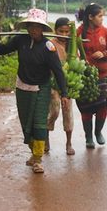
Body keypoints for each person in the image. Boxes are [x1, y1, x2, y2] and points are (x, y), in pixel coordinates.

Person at [0, 8, 69, 174]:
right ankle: (33, 153)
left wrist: (64, 93)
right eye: (31, 26)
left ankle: (38, 159)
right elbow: (2, 50)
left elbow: (58, 71)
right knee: (26, 124)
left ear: (43, 29)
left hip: (41, 89)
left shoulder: (48, 47)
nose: (34, 30)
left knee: (39, 123)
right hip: (22, 87)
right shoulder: (20, 40)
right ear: (27, 26)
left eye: (37, 27)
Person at [76, 3, 107, 149]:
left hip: (102, 74)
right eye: (100, 16)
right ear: (90, 17)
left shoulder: (105, 32)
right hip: (85, 75)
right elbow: (72, 52)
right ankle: (88, 137)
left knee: (103, 105)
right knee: (86, 106)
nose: (102, 19)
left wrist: (104, 54)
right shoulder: (79, 32)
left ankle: (98, 131)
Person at [45, 17, 75, 155]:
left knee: (68, 113)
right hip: (53, 82)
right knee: (54, 110)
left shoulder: (72, 44)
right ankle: (45, 137)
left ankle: (69, 143)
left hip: (68, 83)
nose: (63, 35)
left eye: (66, 32)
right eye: (60, 31)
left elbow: (77, 62)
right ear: (55, 30)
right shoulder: (51, 44)